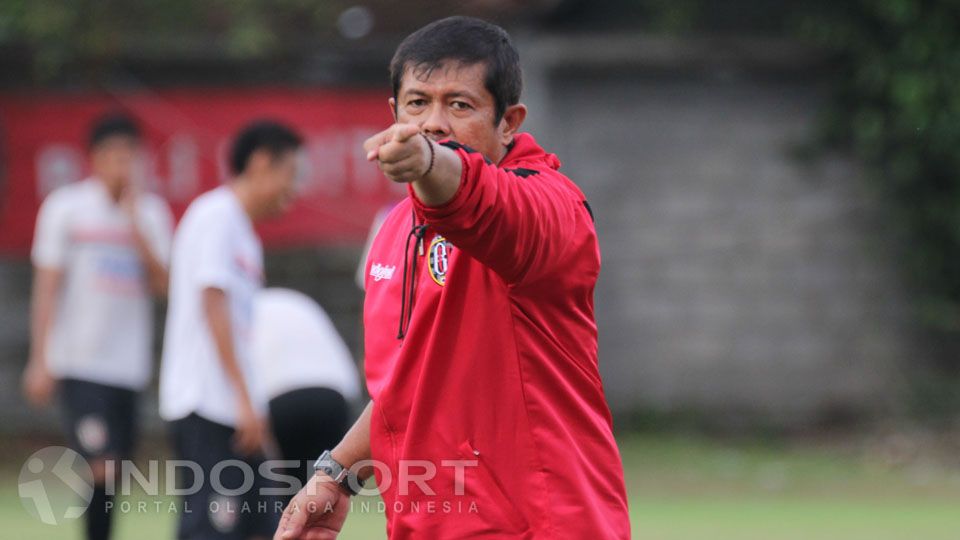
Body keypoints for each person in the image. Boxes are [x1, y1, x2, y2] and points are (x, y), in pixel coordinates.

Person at [277, 16, 631, 539]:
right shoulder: (396, 228)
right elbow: (409, 387)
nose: (434, 122)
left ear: (509, 122)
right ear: (394, 113)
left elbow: (483, 203)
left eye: (459, 105)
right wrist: (335, 476)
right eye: (418, 103)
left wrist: (428, 159)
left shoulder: (551, 206)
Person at [22, 112, 173, 540]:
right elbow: (47, 286)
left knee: (115, 473)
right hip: (79, 363)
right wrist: (40, 358)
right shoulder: (66, 208)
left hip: (127, 367)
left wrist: (135, 227)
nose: (122, 166)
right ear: (94, 159)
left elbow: (166, 286)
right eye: (114, 156)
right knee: (101, 464)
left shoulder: (151, 213)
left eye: (131, 157)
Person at [160, 120, 302, 540]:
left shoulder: (244, 235)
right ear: (261, 163)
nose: (291, 193)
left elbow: (240, 328)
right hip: (206, 403)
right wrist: (242, 397)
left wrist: (252, 403)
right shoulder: (215, 214)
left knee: (266, 523)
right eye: (289, 175)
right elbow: (213, 302)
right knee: (211, 528)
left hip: (236, 408)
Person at [251, 288, 361, 502]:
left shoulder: (243, 309)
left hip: (279, 395)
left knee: (283, 496)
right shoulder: (297, 301)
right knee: (323, 494)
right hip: (334, 395)